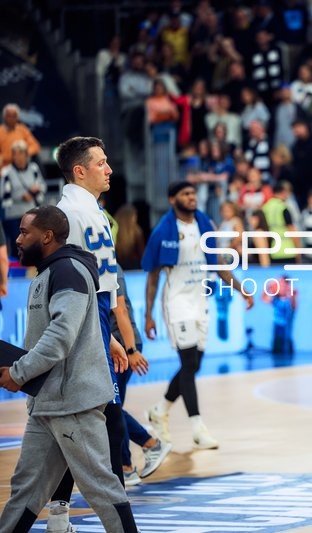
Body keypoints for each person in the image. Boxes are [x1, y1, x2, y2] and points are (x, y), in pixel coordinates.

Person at [0, 206, 138, 532]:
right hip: (47, 402)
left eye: (24, 232)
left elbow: (60, 338)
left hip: (73, 402)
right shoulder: (47, 272)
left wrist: (18, 373)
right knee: (26, 490)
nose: (17, 239)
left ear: (46, 236)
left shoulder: (68, 272)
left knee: (100, 488)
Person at [53, 136, 144, 531]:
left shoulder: (81, 210)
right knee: (108, 421)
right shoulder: (78, 215)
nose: (109, 169)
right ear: (80, 171)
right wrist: (104, 334)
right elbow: (81, 286)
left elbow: (96, 287)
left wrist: (109, 336)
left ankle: (58, 515)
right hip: (82, 329)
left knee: (76, 423)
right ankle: (119, 518)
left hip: (91, 326)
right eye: (102, 163)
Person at [143, 181, 254, 449]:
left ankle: (160, 410)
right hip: (177, 303)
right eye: (185, 194)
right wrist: (148, 315)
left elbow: (219, 265)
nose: (192, 197)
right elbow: (153, 277)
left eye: (193, 193)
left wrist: (242, 290)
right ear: (173, 199)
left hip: (200, 301)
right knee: (189, 363)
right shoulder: (163, 231)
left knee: (193, 364)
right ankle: (197, 427)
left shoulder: (205, 224)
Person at [110, 266, 172, 485]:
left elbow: (121, 310)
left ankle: (149, 446)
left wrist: (131, 351)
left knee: (110, 408)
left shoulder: (107, 262)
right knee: (111, 408)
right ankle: (127, 466)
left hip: (120, 346)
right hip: (116, 345)